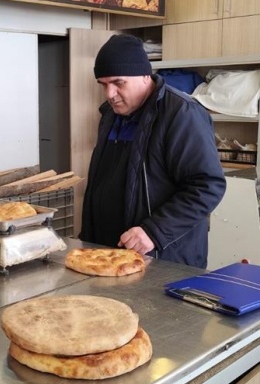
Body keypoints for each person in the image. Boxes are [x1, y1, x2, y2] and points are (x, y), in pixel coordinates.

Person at [79, 34, 227, 268]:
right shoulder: (110, 115)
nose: (109, 94)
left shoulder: (181, 115)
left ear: (144, 76)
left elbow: (207, 186)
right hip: (111, 253)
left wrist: (154, 231)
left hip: (162, 256)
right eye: (103, 84)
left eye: (118, 83)